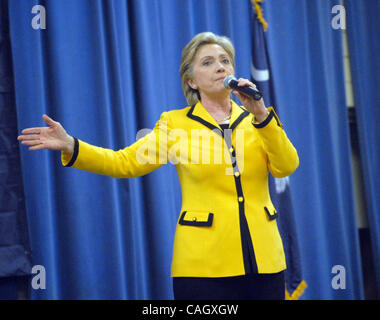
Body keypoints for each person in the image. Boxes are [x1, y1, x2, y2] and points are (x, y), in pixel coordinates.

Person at [18, 32, 299, 300]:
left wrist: (262, 114)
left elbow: (286, 166)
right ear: (191, 81)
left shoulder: (258, 122)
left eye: (225, 60)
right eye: (208, 62)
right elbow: (124, 162)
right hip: (203, 267)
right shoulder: (175, 124)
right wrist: (72, 146)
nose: (220, 67)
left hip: (265, 263)